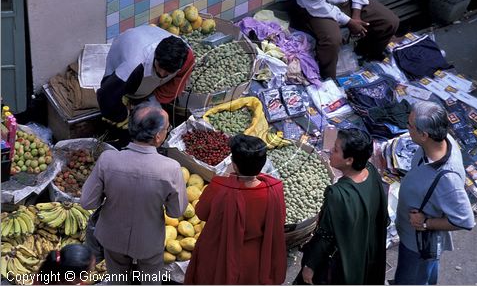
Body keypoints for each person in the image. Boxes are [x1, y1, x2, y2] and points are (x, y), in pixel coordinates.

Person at [80, 102, 188, 285]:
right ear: (157, 137)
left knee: (118, 279)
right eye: (167, 128)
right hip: (149, 242)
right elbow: (175, 212)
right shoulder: (171, 169)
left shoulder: (108, 160)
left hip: (112, 237)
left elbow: (87, 202)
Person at [184, 134, 287, 284]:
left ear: (234, 164)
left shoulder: (219, 187)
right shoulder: (274, 190)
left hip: (220, 252)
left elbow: (201, 212)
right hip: (253, 258)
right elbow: (279, 220)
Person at [394, 101, 475, 285]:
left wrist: (426, 223)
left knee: (411, 279)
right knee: (426, 275)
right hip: (414, 239)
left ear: (424, 135)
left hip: (418, 245)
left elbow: (465, 220)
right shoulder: (444, 141)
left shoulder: (447, 179)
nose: (407, 128)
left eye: (410, 126)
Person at [297, 128, 388, 285]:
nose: (330, 151)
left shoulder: (337, 194)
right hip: (368, 251)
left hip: (346, 259)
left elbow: (325, 236)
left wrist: (309, 266)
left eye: (336, 149)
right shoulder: (371, 170)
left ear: (349, 160)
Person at [294, 0, 399, 79]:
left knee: (389, 21)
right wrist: (349, 22)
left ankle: (367, 58)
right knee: (332, 40)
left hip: (348, 1)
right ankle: (328, 79)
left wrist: (356, 15)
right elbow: (317, 6)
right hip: (319, 10)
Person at [97, 25, 194, 126]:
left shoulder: (187, 57)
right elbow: (105, 95)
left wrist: (154, 100)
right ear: (156, 56)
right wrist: (123, 114)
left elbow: (177, 81)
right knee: (118, 89)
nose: (162, 74)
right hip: (126, 46)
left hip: (150, 35)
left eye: (168, 73)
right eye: (159, 67)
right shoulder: (132, 65)